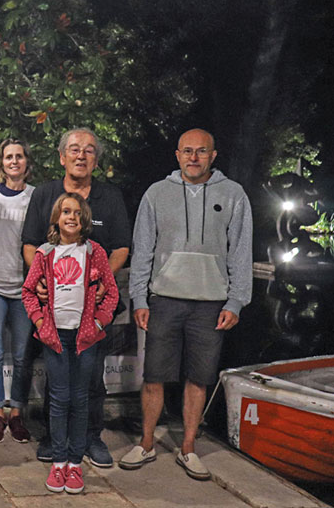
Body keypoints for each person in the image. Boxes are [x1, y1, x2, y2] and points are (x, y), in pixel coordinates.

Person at [120, 128, 252, 480]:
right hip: (164, 299)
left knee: (199, 377)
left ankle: (188, 448)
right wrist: (139, 298)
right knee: (154, 377)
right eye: (187, 151)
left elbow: (240, 252)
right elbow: (143, 248)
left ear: (213, 155)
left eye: (201, 151)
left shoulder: (234, 194)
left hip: (211, 303)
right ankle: (146, 445)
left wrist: (236, 301)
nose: (194, 157)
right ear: (177, 155)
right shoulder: (157, 194)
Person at [22, 127, 130, 467]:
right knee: (56, 381)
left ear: (96, 160)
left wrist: (100, 281)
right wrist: (42, 280)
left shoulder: (110, 197)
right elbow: (29, 245)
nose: (80, 155)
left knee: (91, 380)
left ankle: (90, 438)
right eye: (74, 149)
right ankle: (54, 439)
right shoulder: (44, 194)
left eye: (88, 150)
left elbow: (122, 248)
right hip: (54, 311)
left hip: (92, 311)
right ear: (61, 157)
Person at [23, 192, 119, 495]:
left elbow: (112, 294)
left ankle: (75, 463)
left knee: (80, 399)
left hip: (85, 337)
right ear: (56, 217)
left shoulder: (95, 252)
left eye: (77, 213)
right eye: (66, 212)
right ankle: (59, 460)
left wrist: (99, 323)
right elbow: (29, 292)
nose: (72, 218)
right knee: (59, 398)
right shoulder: (45, 253)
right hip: (56, 337)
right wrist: (40, 323)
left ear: (84, 219)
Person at [0, 139, 36, 443]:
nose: (14, 161)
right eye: (8, 157)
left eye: (19, 156)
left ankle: (18, 413)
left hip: (24, 289)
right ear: (1, 162)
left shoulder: (36, 197)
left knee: (24, 355)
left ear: (27, 162)